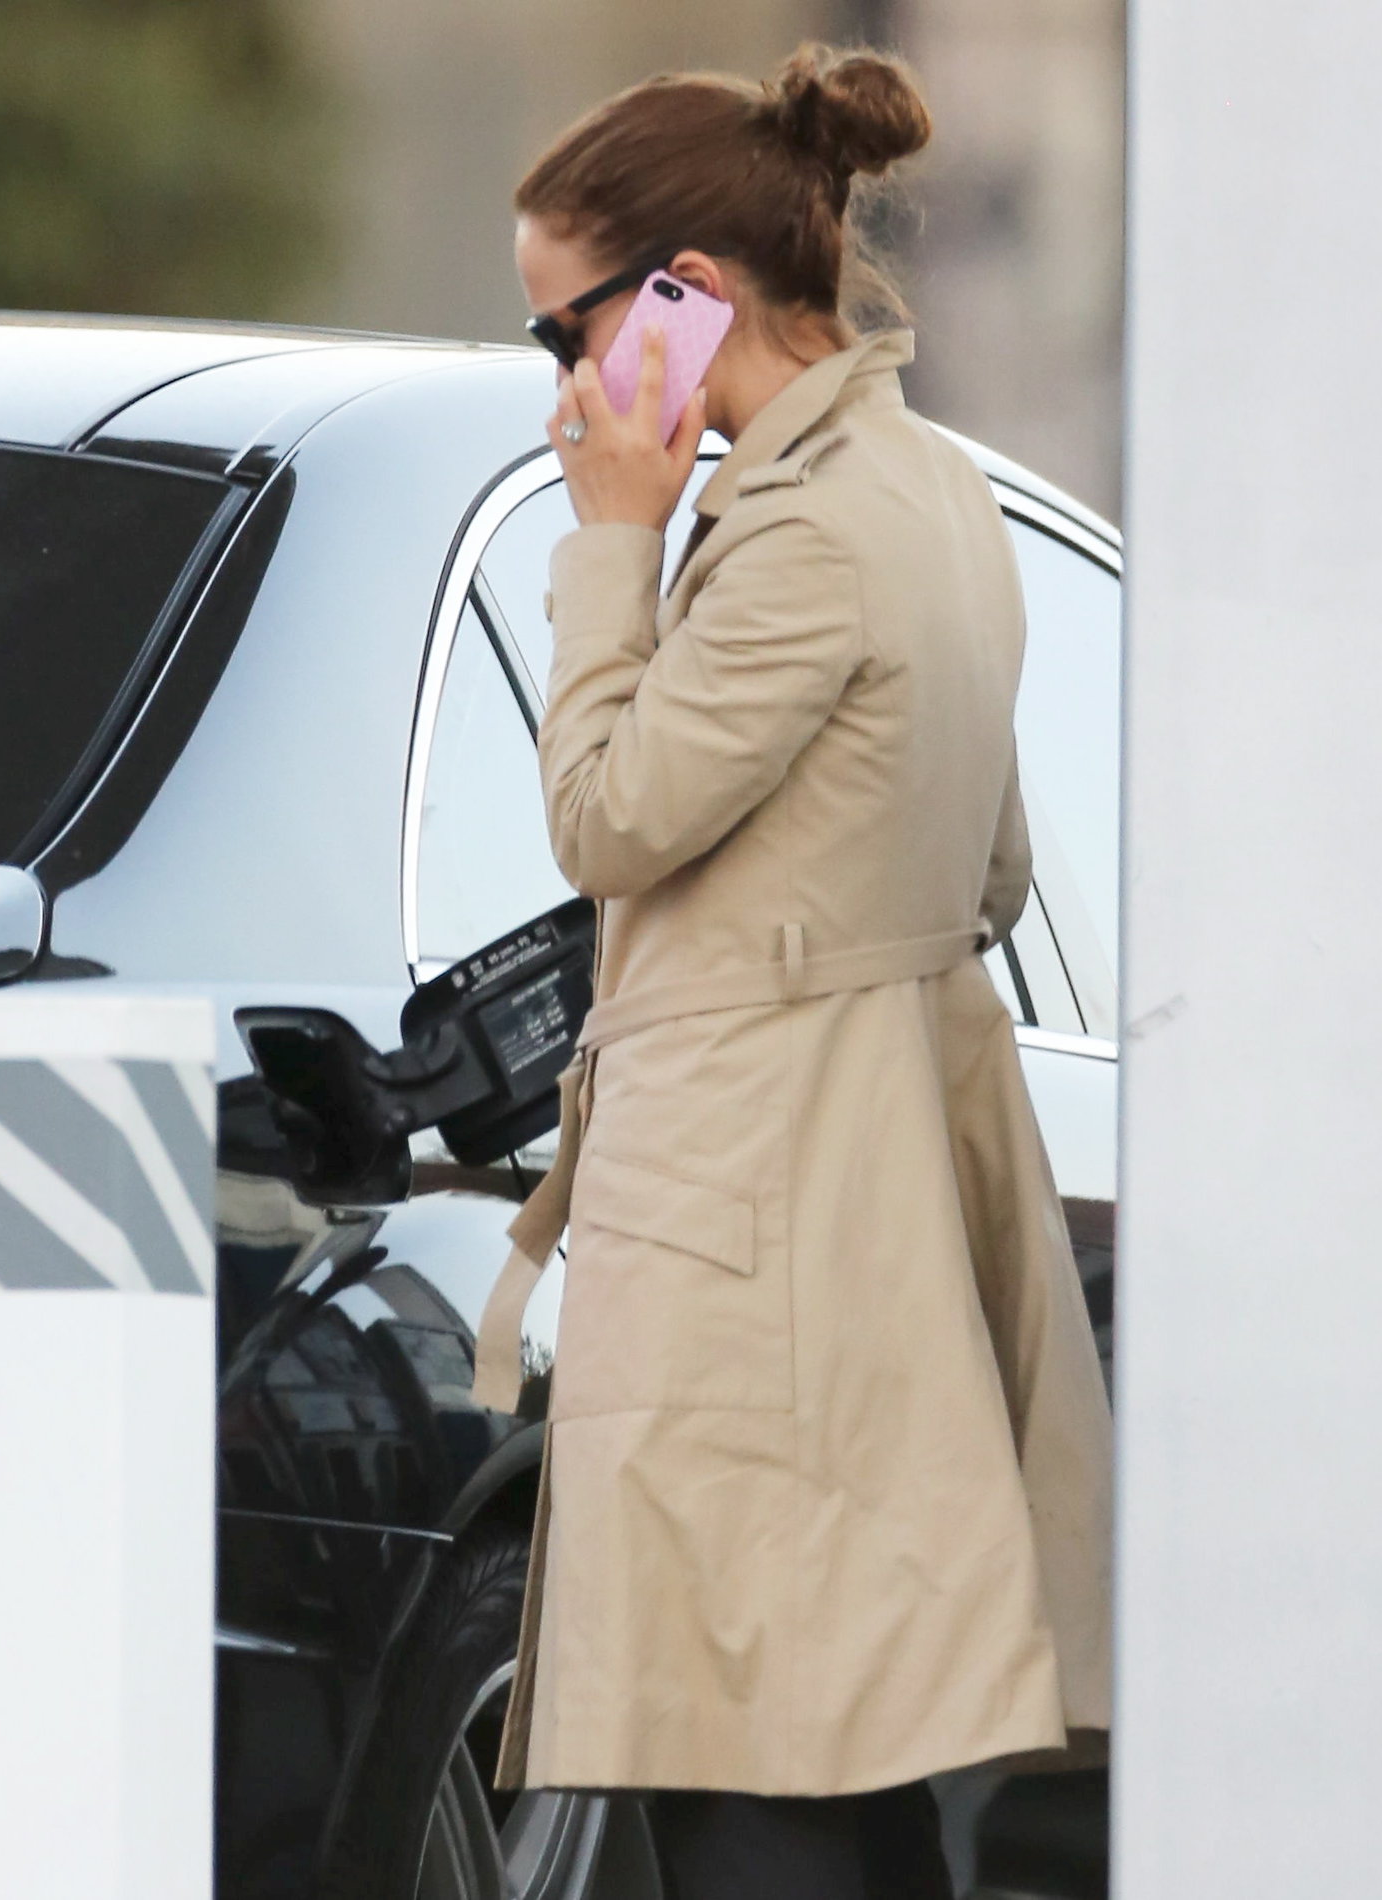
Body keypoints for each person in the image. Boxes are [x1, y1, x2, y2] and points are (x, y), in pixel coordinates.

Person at [482, 39, 1113, 1900]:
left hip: (748, 1202)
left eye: (568, 332)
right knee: (840, 1755)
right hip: (869, 1185)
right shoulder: (930, 496)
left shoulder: (793, 536)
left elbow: (606, 818)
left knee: (740, 1761)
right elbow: (989, 862)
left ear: (688, 297)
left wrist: (613, 548)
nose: (572, 388)